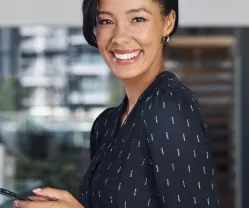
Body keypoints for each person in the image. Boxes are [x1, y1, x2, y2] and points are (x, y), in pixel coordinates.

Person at [14, 0, 220, 207]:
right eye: (106, 21)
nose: (120, 37)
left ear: (168, 22)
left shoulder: (168, 107)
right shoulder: (106, 124)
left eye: (138, 19)